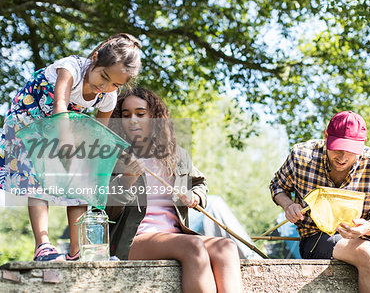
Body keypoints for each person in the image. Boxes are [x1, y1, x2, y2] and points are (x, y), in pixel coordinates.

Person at [0, 33, 142, 261]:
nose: (104, 87)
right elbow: (60, 105)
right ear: (95, 58)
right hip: (28, 123)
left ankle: (78, 250)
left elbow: (97, 134)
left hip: (65, 129)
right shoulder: (71, 68)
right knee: (37, 180)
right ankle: (43, 246)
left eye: (114, 84)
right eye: (103, 77)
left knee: (80, 181)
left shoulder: (107, 96)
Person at [269, 111, 370, 293]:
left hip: (369, 233)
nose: (342, 157)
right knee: (368, 253)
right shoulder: (301, 156)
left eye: (351, 150)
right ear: (326, 136)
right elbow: (277, 186)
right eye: (337, 148)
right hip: (318, 236)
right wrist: (288, 205)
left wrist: (367, 228)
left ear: (363, 144)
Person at [106, 87, 242, 293]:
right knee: (193, 246)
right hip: (133, 240)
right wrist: (126, 181)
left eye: (140, 114)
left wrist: (195, 196)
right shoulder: (116, 156)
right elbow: (103, 209)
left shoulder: (175, 155)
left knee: (227, 248)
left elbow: (199, 183)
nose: (133, 119)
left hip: (174, 236)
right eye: (126, 115)